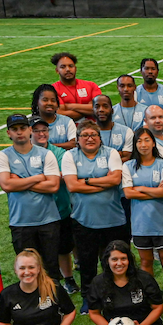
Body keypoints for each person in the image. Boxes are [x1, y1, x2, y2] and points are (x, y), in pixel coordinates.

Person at [61, 123, 128, 312]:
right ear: (78, 139)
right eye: (84, 135)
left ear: (100, 137)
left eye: (93, 135)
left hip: (113, 219)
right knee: (87, 261)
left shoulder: (111, 153)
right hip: (84, 220)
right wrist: (102, 181)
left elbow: (115, 180)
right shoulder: (70, 156)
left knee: (116, 260)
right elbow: (72, 186)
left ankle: (118, 294)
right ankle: (89, 298)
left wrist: (87, 180)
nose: (89, 138)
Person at [0, 114, 64, 288]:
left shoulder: (46, 154)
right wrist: (39, 177)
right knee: (27, 270)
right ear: (9, 133)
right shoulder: (2, 156)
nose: (20, 133)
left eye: (23, 128)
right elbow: (6, 184)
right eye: (15, 129)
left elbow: (53, 186)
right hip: (21, 223)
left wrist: (21, 180)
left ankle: (55, 306)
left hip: (49, 220)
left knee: (51, 268)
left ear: (30, 130)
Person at [29, 117, 79, 294]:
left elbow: (59, 179)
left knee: (63, 248)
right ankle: (46, 281)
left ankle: (69, 279)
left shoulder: (58, 153)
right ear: (30, 133)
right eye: (37, 131)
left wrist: (29, 181)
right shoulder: (24, 153)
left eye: (45, 130)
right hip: (35, 213)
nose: (42, 134)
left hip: (60, 210)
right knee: (40, 251)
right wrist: (48, 178)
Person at [122, 128, 163, 285]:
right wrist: (155, 190)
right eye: (139, 141)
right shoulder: (128, 166)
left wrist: (141, 188)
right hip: (140, 224)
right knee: (146, 261)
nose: (143, 144)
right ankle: (151, 293)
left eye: (146, 140)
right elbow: (128, 194)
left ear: (153, 143)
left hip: (162, 221)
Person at [50, 52, 100, 120]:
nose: (68, 69)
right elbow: (59, 115)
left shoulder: (91, 85)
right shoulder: (52, 90)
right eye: (63, 67)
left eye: (71, 66)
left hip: (91, 129)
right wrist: (88, 109)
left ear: (75, 68)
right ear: (57, 70)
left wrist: (68, 106)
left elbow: (99, 109)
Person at [31, 84, 77, 150]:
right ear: (37, 102)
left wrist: (47, 146)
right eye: (45, 100)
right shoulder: (29, 123)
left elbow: (73, 144)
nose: (49, 103)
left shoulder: (67, 121)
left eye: (53, 100)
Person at [92, 95, 134, 161]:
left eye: (105, 106)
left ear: (112, 110)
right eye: (97, 107)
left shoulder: (126, 131)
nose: (101, 110)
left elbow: (127, 157)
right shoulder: (86, 133)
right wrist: (118, 153)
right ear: (93, 110)